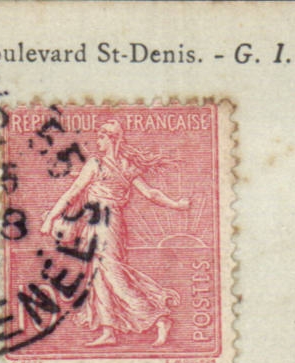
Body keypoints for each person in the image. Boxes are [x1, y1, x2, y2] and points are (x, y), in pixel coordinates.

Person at [38, 119, 191, 347]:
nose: (97, 141)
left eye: (101, 136)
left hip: (107, 224)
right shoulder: (120, 166)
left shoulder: (99, 164)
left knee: (113, 274)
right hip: (98, 223)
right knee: (97, 276)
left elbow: (73, 193)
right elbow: (151, 193)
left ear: (112, 138)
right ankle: (108, 330)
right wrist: (176, 204)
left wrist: (50, 218)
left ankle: (158, 317)